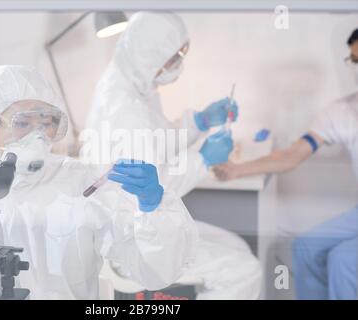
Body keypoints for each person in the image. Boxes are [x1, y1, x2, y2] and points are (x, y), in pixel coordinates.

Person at [0, 65, 198, 299]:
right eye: (23, 123)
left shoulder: (83, 184)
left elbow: (154, 273)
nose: (39, 135)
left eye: (47, 122)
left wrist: (153, 209)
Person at [84, 12, 262, 299]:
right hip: (136, 236)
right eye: (175, 57)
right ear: (149, 57)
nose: (179, 63)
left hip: (147, 221)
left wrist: (200, 121)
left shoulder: (135, 83)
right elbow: (155, 187)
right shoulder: (124, 109)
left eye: (182, 52)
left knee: (236, 247)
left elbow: (158, 141)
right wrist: (204, 158)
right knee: (245, 270)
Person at [214, 28, 358, 300]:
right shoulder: (342, 112)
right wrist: (236, 169)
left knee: (344, 262)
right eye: (354, 60)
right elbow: (292, 154)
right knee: (305, 247)